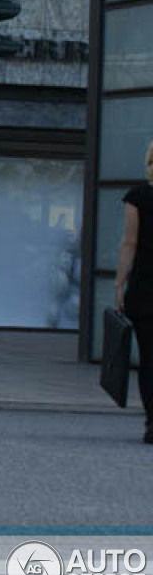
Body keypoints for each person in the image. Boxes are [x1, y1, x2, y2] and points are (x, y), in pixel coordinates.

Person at [116, 140, 153, 444]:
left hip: (145, 290)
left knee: (149, 359)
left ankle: (152, 423)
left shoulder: (138, 196)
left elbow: (130, 243)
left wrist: (119, 284)